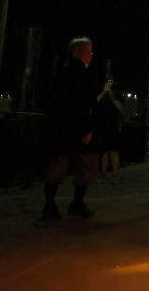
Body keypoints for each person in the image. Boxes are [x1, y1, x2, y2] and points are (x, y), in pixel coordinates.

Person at [39, 36, 101, 221]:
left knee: (57, 167)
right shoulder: (81, 75)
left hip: (60, 130)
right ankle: (76, 204)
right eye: (89, 52)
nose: (91, 56)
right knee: (87, 165)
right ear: (80, 53)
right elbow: (81, 104)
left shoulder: (61, 73)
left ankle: (50, 205)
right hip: (76, 131)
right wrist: (86, 129)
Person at [97, 79, 124, 182]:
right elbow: (95, 103)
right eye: (106, 84)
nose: (108, 86)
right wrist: (103, 92)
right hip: (102, 126)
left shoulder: (117, 95)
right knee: (103, 151)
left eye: (109, 85)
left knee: (113, 151)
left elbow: (120, 108)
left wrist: (112, 96)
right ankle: (103, 173)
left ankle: (115, 174)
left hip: (113, 127)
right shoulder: (102, 95)